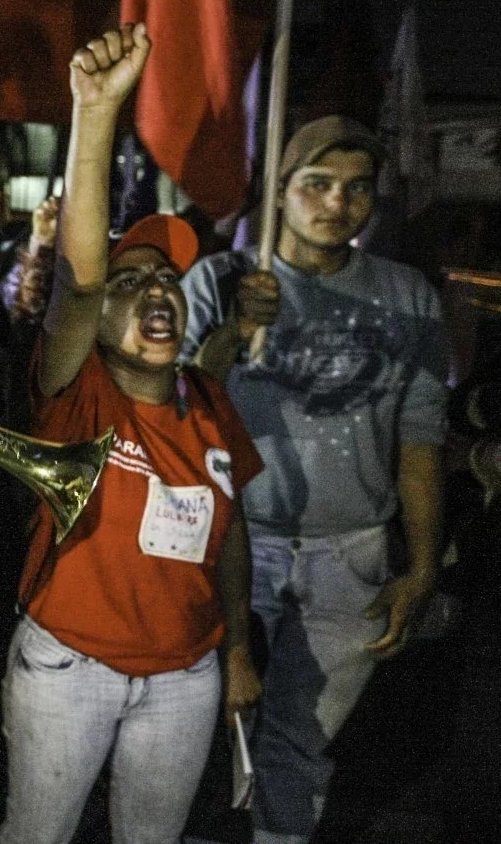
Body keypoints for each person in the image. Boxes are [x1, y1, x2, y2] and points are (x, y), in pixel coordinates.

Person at [0, 26, 263, 844]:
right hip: (68, 668)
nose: (156, 291)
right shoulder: (74, 396)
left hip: (186, 676)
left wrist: (236, 649)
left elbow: (230, 532)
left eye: (169, 280)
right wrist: (95, 114)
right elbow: (77, 284)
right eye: (132, 280)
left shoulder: (209, 399)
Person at [180, 115, 448, 843]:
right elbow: (174, 409)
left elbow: (421, 442)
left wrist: (422, 567)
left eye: (357, 188)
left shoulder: (410, 296)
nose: (338, 203)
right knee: (200, 724)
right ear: (280, 190)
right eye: (318, 184)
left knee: (301, 742)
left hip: (350, 557)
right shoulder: (220, 280)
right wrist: (235, 331)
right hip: (229, 546)